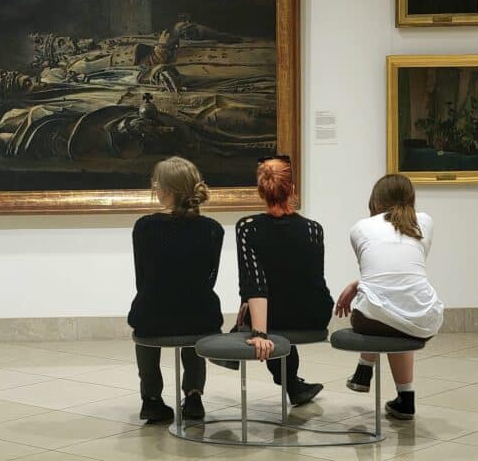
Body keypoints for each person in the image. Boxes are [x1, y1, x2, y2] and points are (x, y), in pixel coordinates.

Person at [336, 174, 444, 420]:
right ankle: (406, 399)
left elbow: (380, 278)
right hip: (425, 318)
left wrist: (356, 284)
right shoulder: (425, 222)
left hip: (373, 320)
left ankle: (365, 369)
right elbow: (397, 277)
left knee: (385, 311)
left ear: (375, 200)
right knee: (399, 313)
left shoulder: (360, 228)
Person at [128, 156, 224, 424]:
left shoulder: (145, 226)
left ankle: (151, 399)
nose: (154, 188)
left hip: (153, 315)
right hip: (199, 314)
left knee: (145, 321)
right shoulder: (212, 230)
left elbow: (142, 278)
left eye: (156, 183)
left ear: (166, 190)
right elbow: (210, 277)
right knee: (198, 315)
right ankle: (194, 397)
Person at [235, 156, 334, 405]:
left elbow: (253, 281)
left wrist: (258, 330)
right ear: (291, 188)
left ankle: (291, 383)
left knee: (268, 318)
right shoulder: (314, 228)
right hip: (315, 314)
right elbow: (312, 279)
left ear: (260, 191)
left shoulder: (248, 227)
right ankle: (294, 385)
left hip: (273, 316)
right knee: (281, 307)